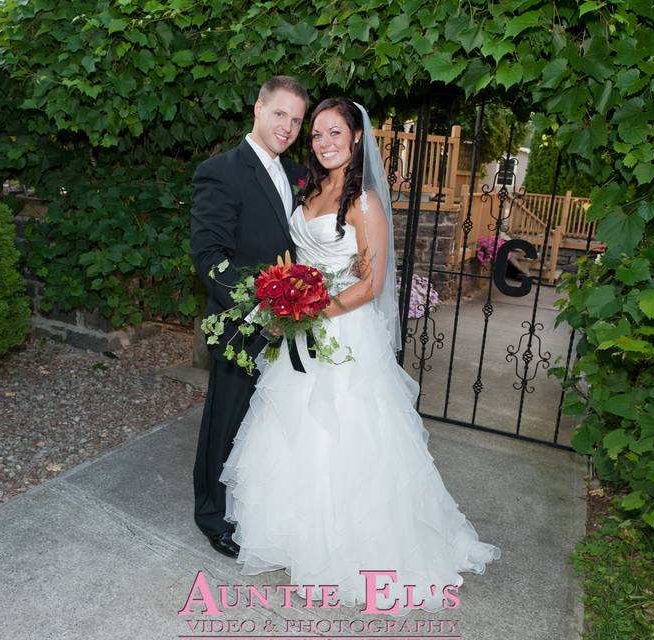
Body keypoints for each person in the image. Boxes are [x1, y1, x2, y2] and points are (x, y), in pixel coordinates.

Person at [219, 98, 500, 612]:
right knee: (293, 431)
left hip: (342, 331)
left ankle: (354, 547)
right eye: (318, 134)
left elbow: (371, 283)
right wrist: (288, 298)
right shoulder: (312, 187)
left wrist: (312, 309)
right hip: (302, 329)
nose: (325, 143)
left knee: (346, 436)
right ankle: (300, 538)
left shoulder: (364, 200)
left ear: (356, 138)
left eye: (335, 133)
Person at [190, 76, 308, 558]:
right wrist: (262, 306)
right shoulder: (221, 171)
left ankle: (258, 506)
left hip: (296, 324)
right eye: (280, 113)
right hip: (241, 323)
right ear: (258, 108)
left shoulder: (300, 174)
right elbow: (208, 255)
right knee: (227, 418)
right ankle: (211, 514)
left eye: (297, 120)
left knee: (271, 423)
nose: (288, 126)